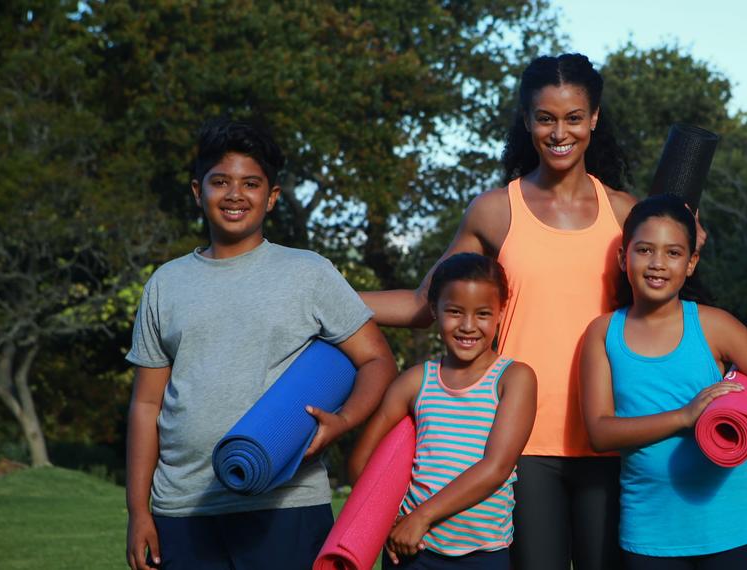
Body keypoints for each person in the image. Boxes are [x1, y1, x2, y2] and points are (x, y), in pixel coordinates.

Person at [361, 53, 638, 569]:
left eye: (574, 117)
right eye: (545, 118)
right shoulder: (494, 209)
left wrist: (685, 236)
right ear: (527, 119)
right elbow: (425, 304)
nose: (560, 132)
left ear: (594, 118)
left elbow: (662, 300)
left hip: (607, 437)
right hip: (518, 447)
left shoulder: (624, 213)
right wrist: (315, 298)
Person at [124, 117, 397, 570]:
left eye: (251, 183)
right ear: (198, 191)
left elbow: (376, 360)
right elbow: (146, 406)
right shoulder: (165, 284)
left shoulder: (308, 273)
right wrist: (138, 513)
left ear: (271, 197)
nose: (235, 195)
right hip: (184, 508)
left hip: (286, 505)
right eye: (220, 182)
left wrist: (342, 421)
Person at [579, 194, 747, 570]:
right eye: (645, 250)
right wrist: (685, 417)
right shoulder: (603, 333)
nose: (657, 264)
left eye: (673, 253)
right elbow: (600, 432)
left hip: (731, 528)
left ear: (691, 263)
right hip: (649, 534)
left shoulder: (715, 325)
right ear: (624, 257)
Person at [349, 253, 537, 569]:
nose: (467, 326)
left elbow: (496, 468)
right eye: (454, 312)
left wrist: (421, 517)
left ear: (501, 312)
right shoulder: (414, 382)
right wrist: (385, 522)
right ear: (434, 309)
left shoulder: (514, 378)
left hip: (484, 555)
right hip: (410, 553)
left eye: (483, 314)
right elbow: (360, 461)